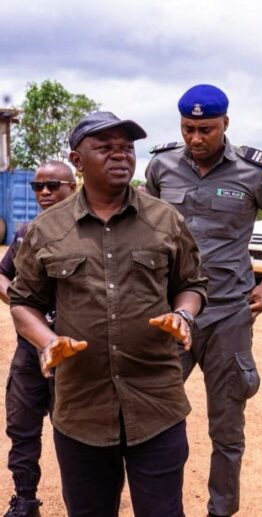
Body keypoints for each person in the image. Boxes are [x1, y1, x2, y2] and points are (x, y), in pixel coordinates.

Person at [8, 111, 208, 516]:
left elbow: (192, 284)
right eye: (105, 148)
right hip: (81, 408)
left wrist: (183, 316)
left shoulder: (165, 220)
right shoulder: (47, 230)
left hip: (156, 404)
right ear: (77, 160)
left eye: (127, 148)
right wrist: (47, 342)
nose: (121, 156)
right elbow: (23, 301)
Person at [145, 84, 262, 517]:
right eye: (189, 128)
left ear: (225, 125)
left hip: (229, 314)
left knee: (227, 428)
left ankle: (221, 511)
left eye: (206, 129)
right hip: (172, 314)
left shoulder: (255, 172)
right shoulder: (161, 167)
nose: (197, 138)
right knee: (154, 415)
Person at [1, 161, 76, 517]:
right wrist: (21, 302)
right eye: (38, 186)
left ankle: (86, 501)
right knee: (22, 427)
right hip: (30, 352)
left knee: (78, 433)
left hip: (76, 356)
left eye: (53, 185)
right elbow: (2, 274)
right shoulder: (28, 232)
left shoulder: (91, 233)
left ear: (73, 187)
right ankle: (25, 499)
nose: (44, 192)